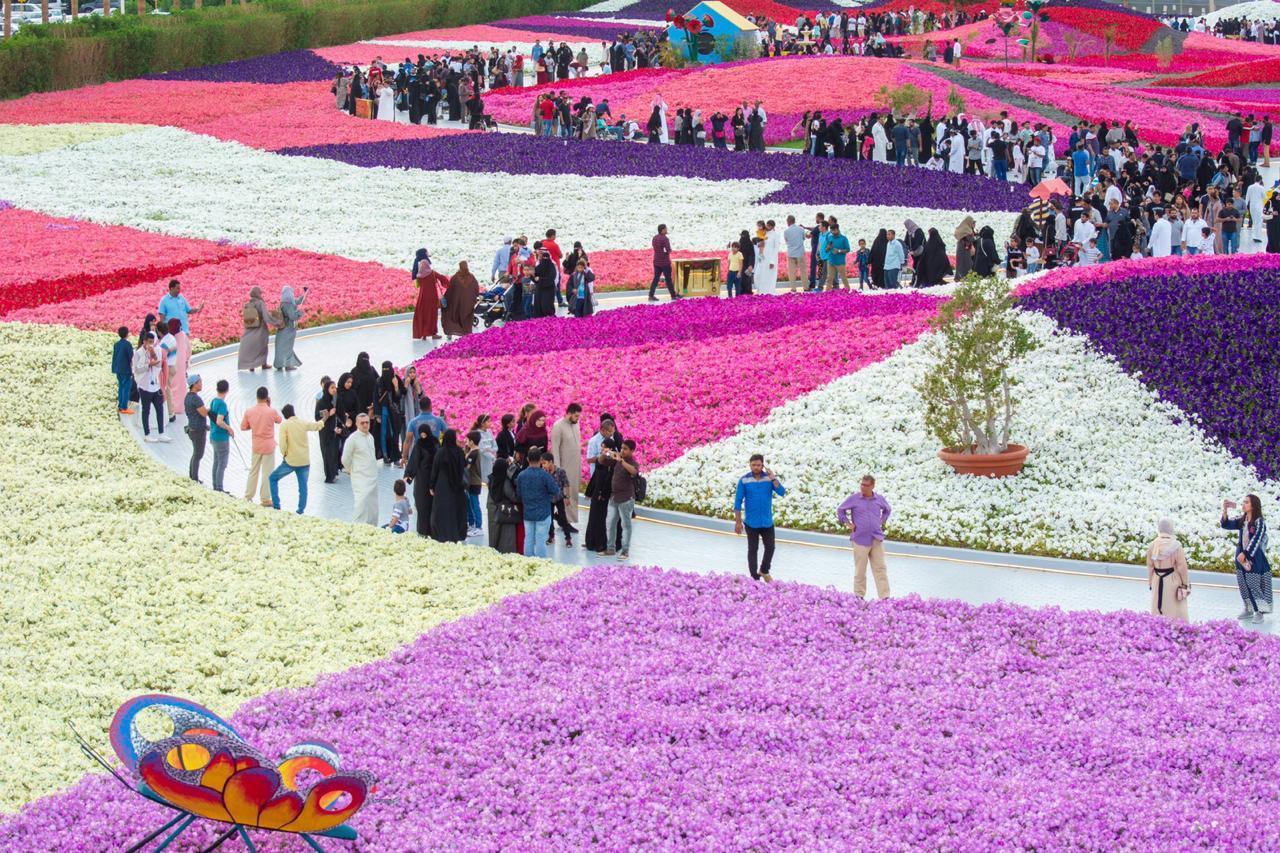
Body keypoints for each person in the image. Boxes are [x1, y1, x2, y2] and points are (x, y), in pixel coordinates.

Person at [836, 474, 892, 599]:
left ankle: (885, 598)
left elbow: (888, 509)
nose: (863, 487)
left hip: (876, 538)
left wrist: (882, 520)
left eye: (866, 485)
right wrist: (848, 524)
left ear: (872, 486)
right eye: (862, 484)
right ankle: (859, 596)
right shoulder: (854, 499)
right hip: (860, 539)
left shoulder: (879, 499)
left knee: (880, 569)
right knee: (860, 571)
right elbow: (840, 510)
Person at [733, 454, 786, 582]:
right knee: (753, 550)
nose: (756, 467)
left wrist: (773, 478)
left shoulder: (769, 479)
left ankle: (764, 570)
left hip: (767, 521)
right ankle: (754, 578)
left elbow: (782, 492)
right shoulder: (744, 480)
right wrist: (738, 522)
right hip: (751, 522)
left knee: (770, 547)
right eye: (753, 465)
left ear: (763, 465)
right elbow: (738, 502)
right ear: (750, 465)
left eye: (758, 465)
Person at [269, 403, 326, 514]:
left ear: (285, 415)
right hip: (304, 461)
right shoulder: (302, 423)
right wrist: (325, 417)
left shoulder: (285, 425)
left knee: (273, 478)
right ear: (293, 412)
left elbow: (283, 444)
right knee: (303, 487)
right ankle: (300, 510)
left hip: (290, 461)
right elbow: (317, 426)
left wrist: (284, 454)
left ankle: (276, 505)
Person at [1221, 495, 1271, 623]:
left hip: (1253, 557)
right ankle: (1248, 608)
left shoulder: (1259, 522)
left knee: (1254, 583)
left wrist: (1246, 554)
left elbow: (1256, 539)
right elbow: (1226, 524)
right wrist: (1225, 510)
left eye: (1246, 502)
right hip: (1241, 557)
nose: (1243, 504)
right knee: (1243, 583)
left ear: (1253, 505)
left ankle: (1259, 611)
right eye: (1243, 502)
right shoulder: (1242, 520)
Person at [240, 386, 282, 507]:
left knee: (254, 471)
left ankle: (248, 496)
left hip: (256, 445)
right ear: (267, 398)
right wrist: (269, 406)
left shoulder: (249, 411)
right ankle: (265, 498)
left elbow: (243, 427)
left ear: (257, 397)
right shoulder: (271, 411)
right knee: (267, 472)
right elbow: (279, 420)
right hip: (268, 446)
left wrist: (252, 427)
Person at [516, 447, 561, 558]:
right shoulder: (545, 475)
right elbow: (556, 490)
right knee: (541, 539)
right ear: (540, 459)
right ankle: (541, 563)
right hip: (543, 512)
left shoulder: (521, 475)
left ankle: (528, 561)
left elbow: (519, 494)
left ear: (527, 459)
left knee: (529, 538)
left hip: (528, 512)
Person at [584, 418, 621, 552]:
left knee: (599, 517)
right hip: (597, 486)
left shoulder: (608, 462)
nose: (612, 434)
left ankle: (599, 542)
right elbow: (591, 461)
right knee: (595, 516)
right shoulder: (595, 443)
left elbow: (606, 479)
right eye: (610, 432)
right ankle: (591, 541)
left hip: (602, 490)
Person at [1146, 518, 1190, 622]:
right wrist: (1185, 583)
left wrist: (1151, 582)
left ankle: (1158, 630)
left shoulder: (1152, 545)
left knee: (1157, 606)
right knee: (1174, 608)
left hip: (1157, 579)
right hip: (1172, 580)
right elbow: (1181, 566)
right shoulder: (1176, 545)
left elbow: (1150, 566)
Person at [430, 428, 468, 543]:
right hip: (457, 485)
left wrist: (432, 485)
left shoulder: (441, 452)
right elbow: (464, 466)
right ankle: (457, 534)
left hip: (443, 485)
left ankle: (441, 534)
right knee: (457, 510)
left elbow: (435, 470)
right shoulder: (459, 452)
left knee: (442, 510)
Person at [604, 439, 639, 559]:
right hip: (614, 497)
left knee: (626, 525)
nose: (622, 451)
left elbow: (634, 472)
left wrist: (622, 461)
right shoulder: (617, 459)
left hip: (626, 499)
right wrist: (606, 453)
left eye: (625, 449)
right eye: (622, 448)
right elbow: (604, 459)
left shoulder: (632, 463)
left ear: (632, 451)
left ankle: (625, 551)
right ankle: (610, 549)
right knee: (610, 523)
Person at [342, 413, 380, 525]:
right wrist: (351, 470)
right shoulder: (352, 439)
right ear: (357, 424)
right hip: (360, 477)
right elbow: (345, 459)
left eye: (367, 422)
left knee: (372, 506)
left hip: (372, 477)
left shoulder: (370, 437)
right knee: (361, 503)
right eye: (362, 423)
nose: (365, 425)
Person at [132, 332, 170, 443]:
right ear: (144, 341)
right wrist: (148, 363)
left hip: (155, 384)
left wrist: (154, 355)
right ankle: (147, 434)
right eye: (149, 342)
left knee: (160, 409)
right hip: (144, 386)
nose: (151, 344)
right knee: (146, 410)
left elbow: (159, 365)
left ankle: (161, 433)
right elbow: (136, 370)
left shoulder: (156, 350)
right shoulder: (138, 353)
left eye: (152, 342)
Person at [550, 403, 583, 526]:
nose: (577, 419)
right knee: (566, 492)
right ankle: (566, 521)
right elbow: (555, 449)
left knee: (573, 492)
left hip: (575, 466)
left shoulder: (576, 424)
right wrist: (557, 470)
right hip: (564, 467)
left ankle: (568, 519)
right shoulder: (558, 426)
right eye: (575, 416)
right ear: (569, 413)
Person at [404, 422, 436, 538]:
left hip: (434, 479)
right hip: (422, 480)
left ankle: (433, 530)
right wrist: (409, 474)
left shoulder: (435, 443)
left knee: (433, 506)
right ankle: (423, 531)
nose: (423, 437)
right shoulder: (419, 445)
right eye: (421, 434)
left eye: (424, 434)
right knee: (422, 505)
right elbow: (414, 461)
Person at [486, 457, 520, 553]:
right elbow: (513, 497)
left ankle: (493, 552)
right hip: (505, 511)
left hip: (492, 508)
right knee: (506, 537)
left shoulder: (491, 479)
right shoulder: (505, 482)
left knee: (493, 534)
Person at [207, 379, 234, 494]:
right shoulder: (222, 404)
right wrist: (229, 428)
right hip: (221, 437)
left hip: (213, 435)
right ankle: (219, 488)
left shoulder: (214, 401)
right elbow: (219, 421)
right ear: (227, 390)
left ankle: (215, 485)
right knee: (222, 463)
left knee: (216, 461)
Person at [272, 286, 307, 371]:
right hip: (288, 329)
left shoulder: (283, 302)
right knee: (288, 348)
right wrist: (300, 313)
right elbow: (293, 316)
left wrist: (305, 294)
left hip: (282, 330)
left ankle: (279, 364)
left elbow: (298, 301)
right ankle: (288, 365)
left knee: (280, 348)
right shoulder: (289, 304)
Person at [442, 262, 479, 339]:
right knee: (466, 319)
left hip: (456, 303)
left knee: (452, 315)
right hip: (468, 304)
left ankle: (450, 332)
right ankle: (466, 333)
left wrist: (446, 298)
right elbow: (476, 289)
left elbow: (450, 290)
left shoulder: (455, 277)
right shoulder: (472, 277)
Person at [237, 287, 271, 372]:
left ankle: (251, 366)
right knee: (262, 347)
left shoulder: (247, 304)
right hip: (260, 329)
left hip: (249, 329)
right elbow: (266, 317)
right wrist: (276, 322)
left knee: (251, 348)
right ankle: (263, 364)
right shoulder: (260, 303)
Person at [412, 248, 443, 340]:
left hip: (422, 298)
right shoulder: (432, 273)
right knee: (432, 315)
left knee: (423, 315)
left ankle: (424, 334)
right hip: (431, 297)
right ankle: (433, 334)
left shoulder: (418, 275)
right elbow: (443, 280)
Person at [184, 374, 209, 483]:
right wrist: (211, 409)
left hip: (192, 428)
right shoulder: (196, 399)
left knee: (196, 453)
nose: (201, 384)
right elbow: (203, 413)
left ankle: (192, 476)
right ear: (194, 384)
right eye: (200, 382)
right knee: (198, 454)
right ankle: (194, 478)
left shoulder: (188, 397)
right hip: (198, 430)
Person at [315, 377, 340, 484]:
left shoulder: (335, 400)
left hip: (334, 430)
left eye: (335, 387)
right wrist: (329, 414)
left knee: (334, 452)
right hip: (325, 431)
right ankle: (329, 476)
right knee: (327, 453)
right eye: (332, 387)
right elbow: (317, 416)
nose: (334, 389)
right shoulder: (321, 402)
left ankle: (334, 473)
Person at [648, 224, 678, 302]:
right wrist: (669, 251)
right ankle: (673, 296)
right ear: (662, 230)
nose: (666, 230)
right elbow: (668, 249)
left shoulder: (654, 238)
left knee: (656, 278)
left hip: (656, 261)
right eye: (665, 229)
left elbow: (655, 248)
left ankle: (651, 295)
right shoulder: (665, 239)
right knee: (668, 279)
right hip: (664, 262)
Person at [464, 430, 484, 537]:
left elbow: (467, 467)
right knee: (470, 503)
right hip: (470, 482)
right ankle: (471, 524)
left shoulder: (474, 453)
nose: (466, 441)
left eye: (467, 440)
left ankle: (479, 526)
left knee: (474, 504)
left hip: (474, 482)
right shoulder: (471, 451)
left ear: (472, 441)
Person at [112, 326, 135, 415]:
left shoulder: (116, 344)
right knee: (126, 388)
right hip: (126, 370)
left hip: (118, 369)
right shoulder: (127, 344)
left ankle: (120, 405)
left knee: (121, 387)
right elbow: (131, 357)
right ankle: (124, 407)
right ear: (127, 334)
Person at [782, 215, 807, 292]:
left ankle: (793, 288)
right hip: (800, 253)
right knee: (803, 271)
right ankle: (805, 287)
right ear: (794, 221)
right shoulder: (801, 229)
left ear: (788, 222)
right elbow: (803, 238)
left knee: (792, 272)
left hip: (791, 253)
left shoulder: (786, 231)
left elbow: (786, 241)